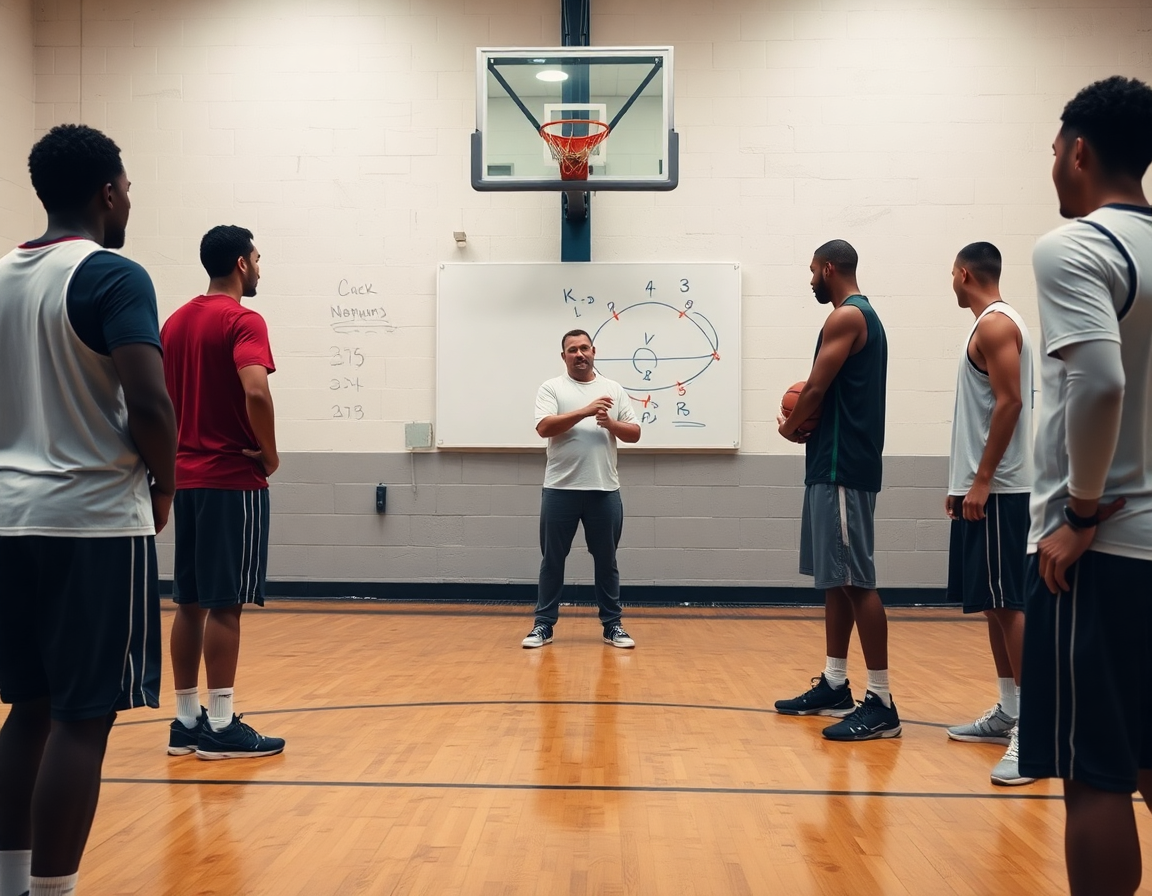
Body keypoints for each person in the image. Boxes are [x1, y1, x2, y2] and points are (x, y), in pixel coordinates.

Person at [0, 125, 176, 896]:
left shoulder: (1, 275)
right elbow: (150, 401)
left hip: (10, 519)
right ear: (107, 191)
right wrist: (166, 482)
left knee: (28, 710)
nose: (130, 197)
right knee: (81, 718)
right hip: (94, 523)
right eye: (129, 185)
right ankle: (53, 891)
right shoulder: (113, 275)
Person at [1018, 75, 1152, 896]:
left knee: (1096, 772)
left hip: (1103, 554)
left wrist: (1078, 513)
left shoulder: (1075, 247)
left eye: (1053, 152)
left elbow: (1101, 385)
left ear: (1077, 150)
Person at [161, 225, 285, 760]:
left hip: (184, 478)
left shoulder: (174, 323)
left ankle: (186, 721)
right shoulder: (243, 319)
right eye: (257, 259)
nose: (259, 267)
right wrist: (270, 453)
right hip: (232, 480)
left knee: (188, 603)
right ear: (240, 263)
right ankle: (220, 724)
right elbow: (255, 387)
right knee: (226, 605)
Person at [774, 240, 900, 741]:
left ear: (830, 268)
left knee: (857, 581)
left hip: (842, 463)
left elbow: (817, 387)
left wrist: (788, 426)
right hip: (832, 461)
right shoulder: (852, 317)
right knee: (836, 578)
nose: (810, 281)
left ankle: (883, 700)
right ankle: (834, 683)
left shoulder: (847, 317)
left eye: (812, 272)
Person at [942, 241, 1036, 786]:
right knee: (994, 606)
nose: (950, 283)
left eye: (952, 275)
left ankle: (1033, 731)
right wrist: (961, 484)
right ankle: (1009, 712)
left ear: (966, 273)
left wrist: (980, 481)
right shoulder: (987, 326)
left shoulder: (997, 326)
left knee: (1010, 604)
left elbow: (1010, 403)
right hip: (983, 488)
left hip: (1000, 490)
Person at [522, 329, 642, 649]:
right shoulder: (552, 388)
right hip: (560, 489)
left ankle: (612, 626)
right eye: (572, 350)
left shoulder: (612, 389)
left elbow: (634, 433)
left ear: (593, 351)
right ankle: (543, 626)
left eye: (584, 348)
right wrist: (585, 411)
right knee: (553, 561)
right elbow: (544, 427)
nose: (579, 354)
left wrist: (611, 424)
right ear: (564, 357)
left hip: (604, 491)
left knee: (606, 561)